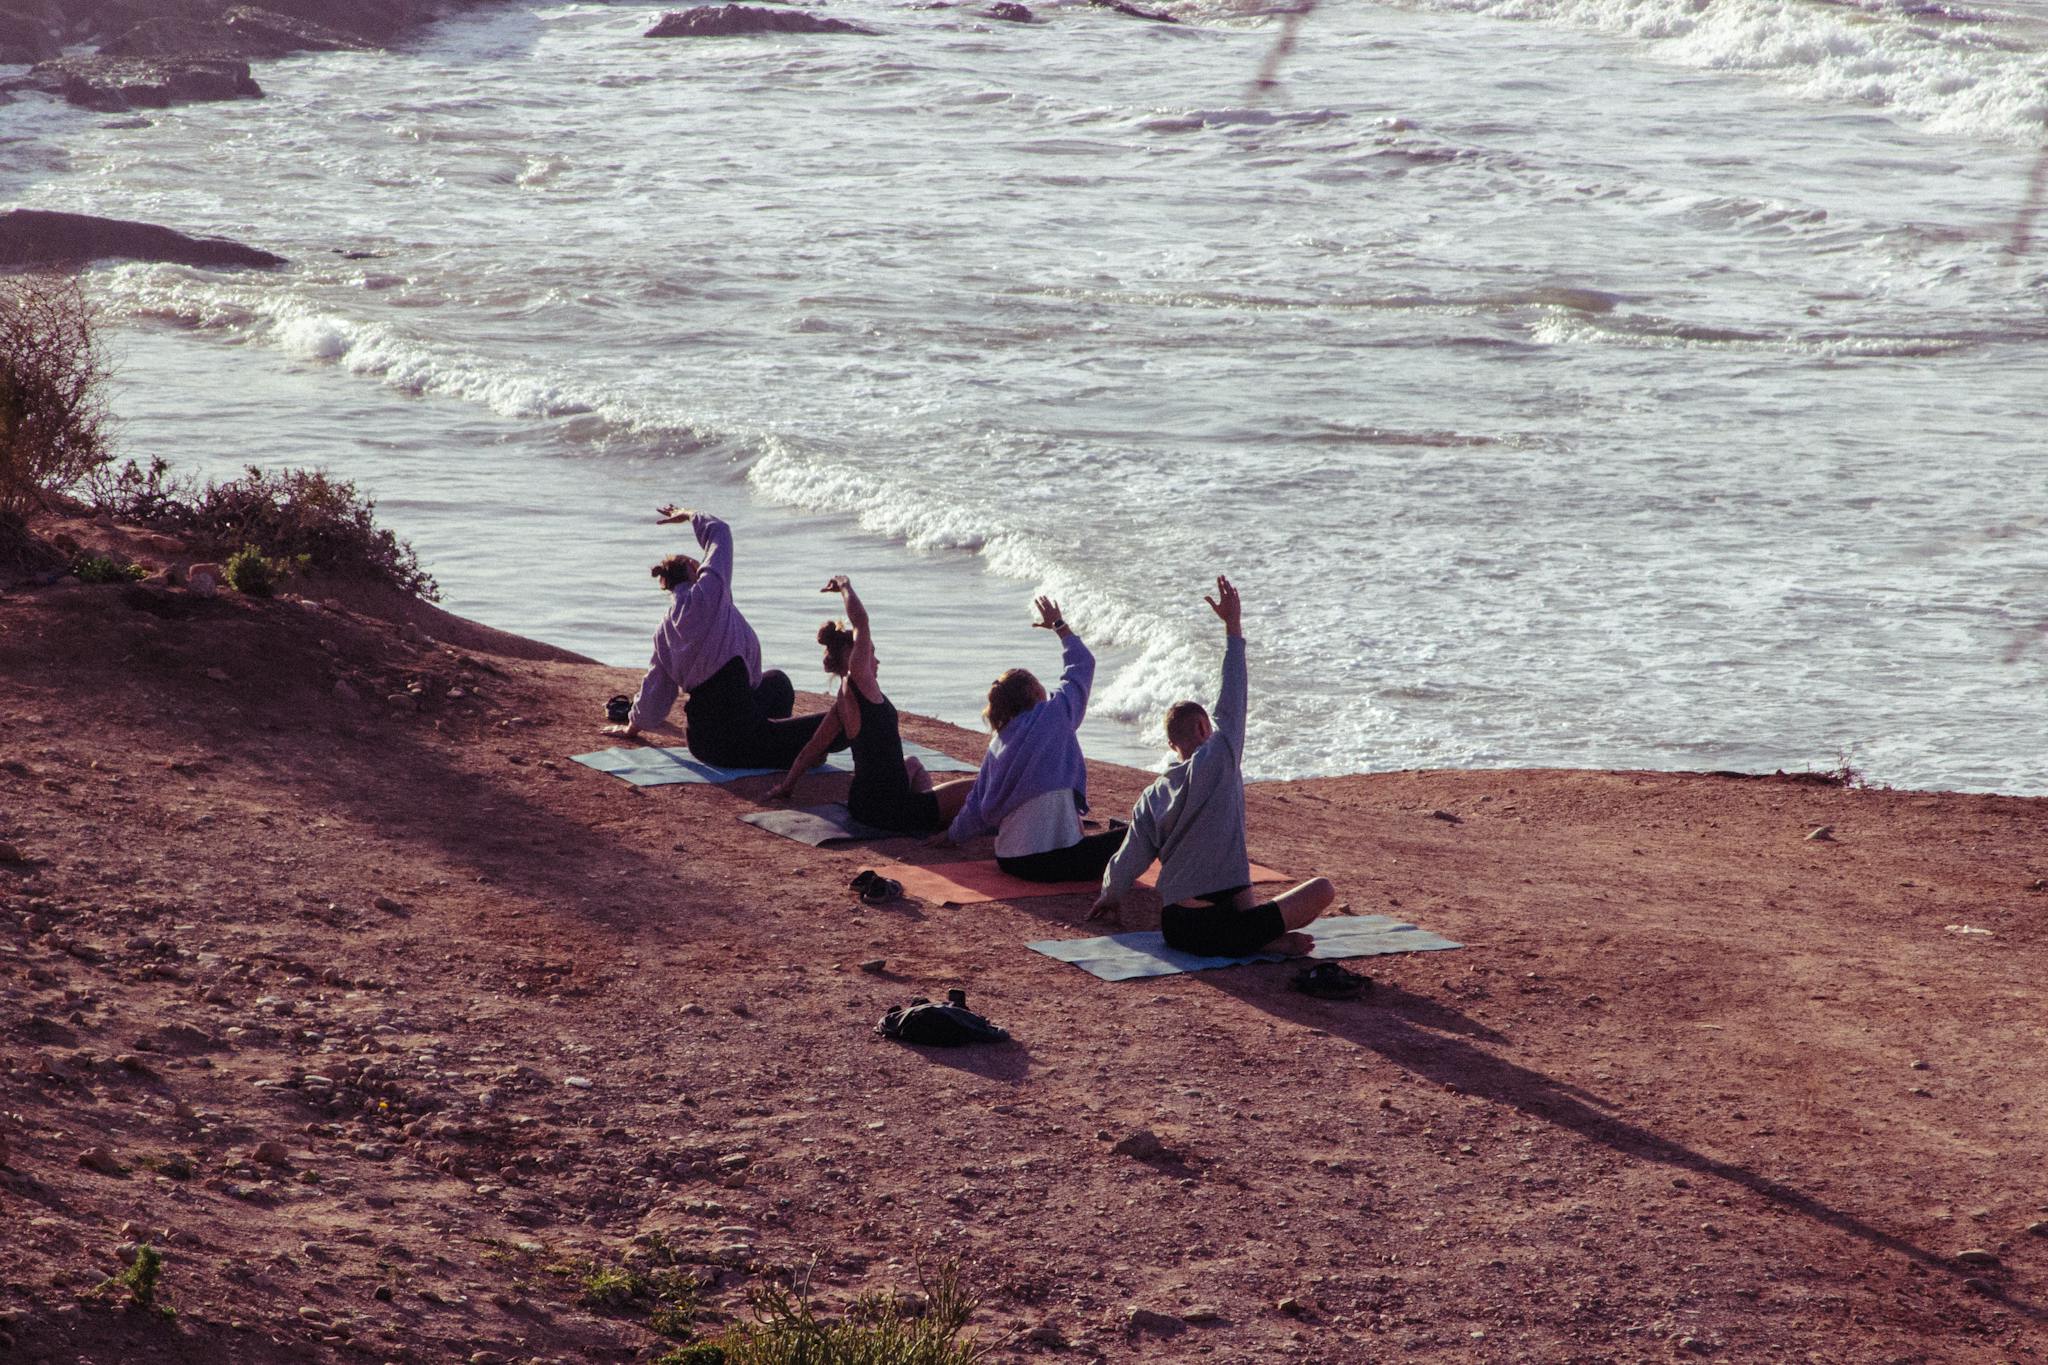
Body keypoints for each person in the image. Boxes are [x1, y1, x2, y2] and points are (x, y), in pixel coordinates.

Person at [1090, 575, 1337, 955]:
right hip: (1220, 929)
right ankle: (1261, 942)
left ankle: (1259, 939)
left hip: (1178, 928)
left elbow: (1129, 858)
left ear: (1173, 745)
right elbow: (1233, 695)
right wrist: (1233, 628)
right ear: (1204, 727)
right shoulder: (1219, 754)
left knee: (1238, 886)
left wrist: (1109, 895)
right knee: (1323, 889)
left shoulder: (1152, 794)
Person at [601, 504, 845, 769]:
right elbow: (720, 533)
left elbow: (654, 689)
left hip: (704, 744)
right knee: (844, 721)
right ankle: (782, 749)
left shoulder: (664, 631)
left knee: (777, 683)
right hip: (737, 740)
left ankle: (780, 744)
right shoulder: (710, 591)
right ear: (696, 569)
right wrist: (690, 514)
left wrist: (631, 728)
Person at [933, 596, 1125, 881]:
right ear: (1036, 693)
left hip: (1009, 860)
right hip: (1054, 862)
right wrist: (1060, 626)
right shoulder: (1055, 714)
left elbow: (975, 803)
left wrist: (951, 836)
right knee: (1143, 830)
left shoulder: (997, 743)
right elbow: (1083, 663)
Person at [767, 574, 977, 833]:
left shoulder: (841, 704)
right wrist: (845, 587)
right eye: (872, 653)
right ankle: (923, 817)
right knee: (978, 786)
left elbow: (812, 748)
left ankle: (923, 814)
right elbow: (861, 622)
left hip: (863, 805)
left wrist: (786, 788)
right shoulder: (859, 679)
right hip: (888, 809)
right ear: (853, 656)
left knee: (912, 764)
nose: (876, 661)